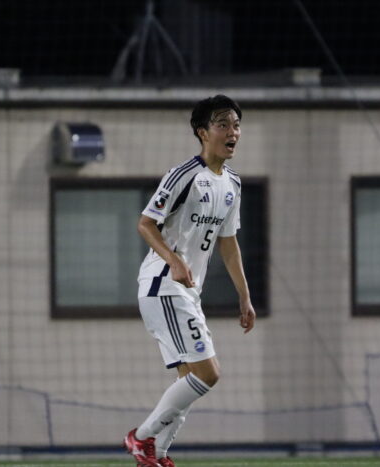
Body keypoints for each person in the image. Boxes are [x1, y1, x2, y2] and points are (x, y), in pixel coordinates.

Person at [124, 94, 256, 467]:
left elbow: (228, 244)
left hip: (186, 292)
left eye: (236, 125)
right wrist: (174, 260)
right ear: (202, 132)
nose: (232, 132)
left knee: (189, 380)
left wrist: (244, 296)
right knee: (208, 374)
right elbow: (145, 224)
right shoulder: (184, 174)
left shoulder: (232, 183)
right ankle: (142, 438)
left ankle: (158, 455)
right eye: (223, 124)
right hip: (163, 285)